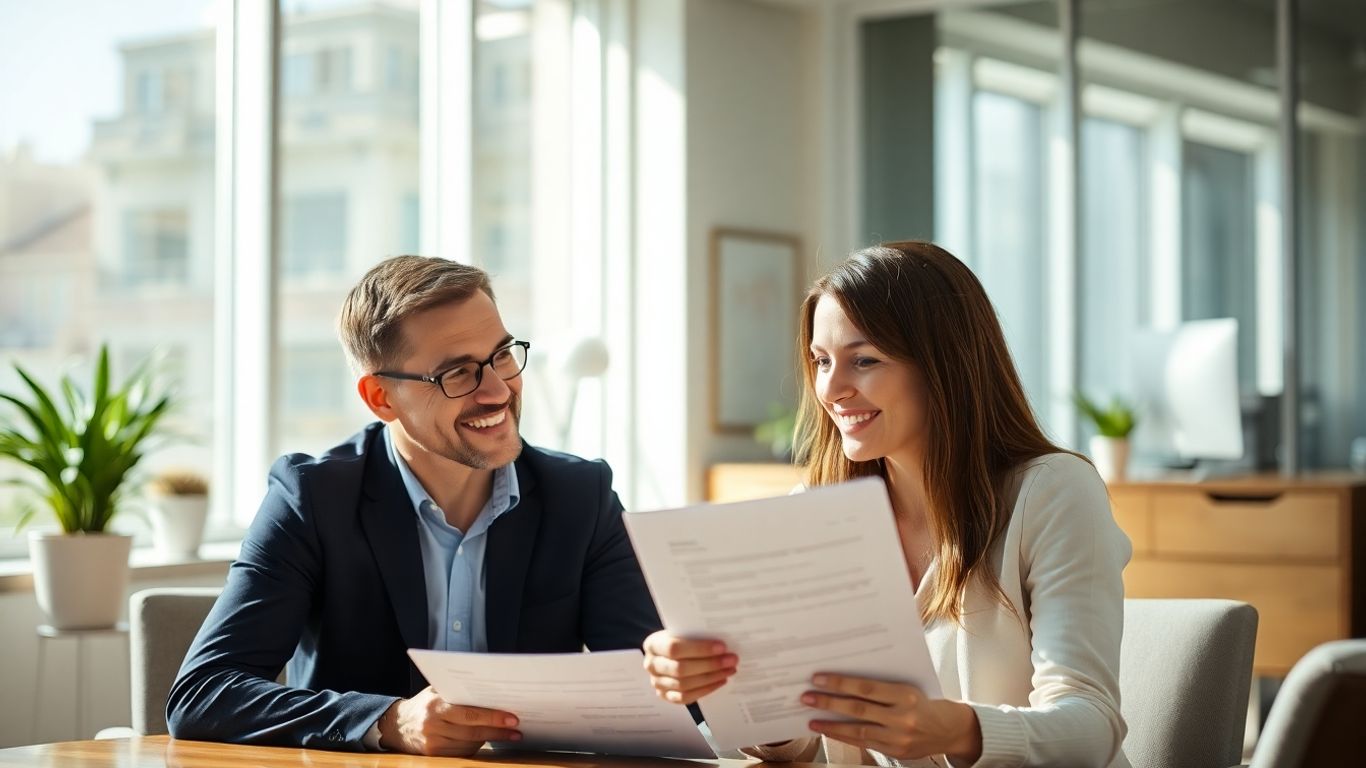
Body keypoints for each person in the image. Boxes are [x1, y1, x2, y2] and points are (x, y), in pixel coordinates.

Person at [642, 242, 1133, 767]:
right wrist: (735, 690)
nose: (831, 389)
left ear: (945, 364)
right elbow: (802, 743)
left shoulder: (1052, 492)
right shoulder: (815, 511)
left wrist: (955, 729)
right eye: (821, 361)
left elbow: (1091, 725)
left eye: (864, 360)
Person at [167, 256, 661, 755]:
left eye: (503, 355)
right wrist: (388, 720)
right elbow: (203, 695)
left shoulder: (580, 495)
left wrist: (700, 689)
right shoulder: (313, 499)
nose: (497, 391)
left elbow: (655, 693)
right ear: (381, 398)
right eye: (458, 373)